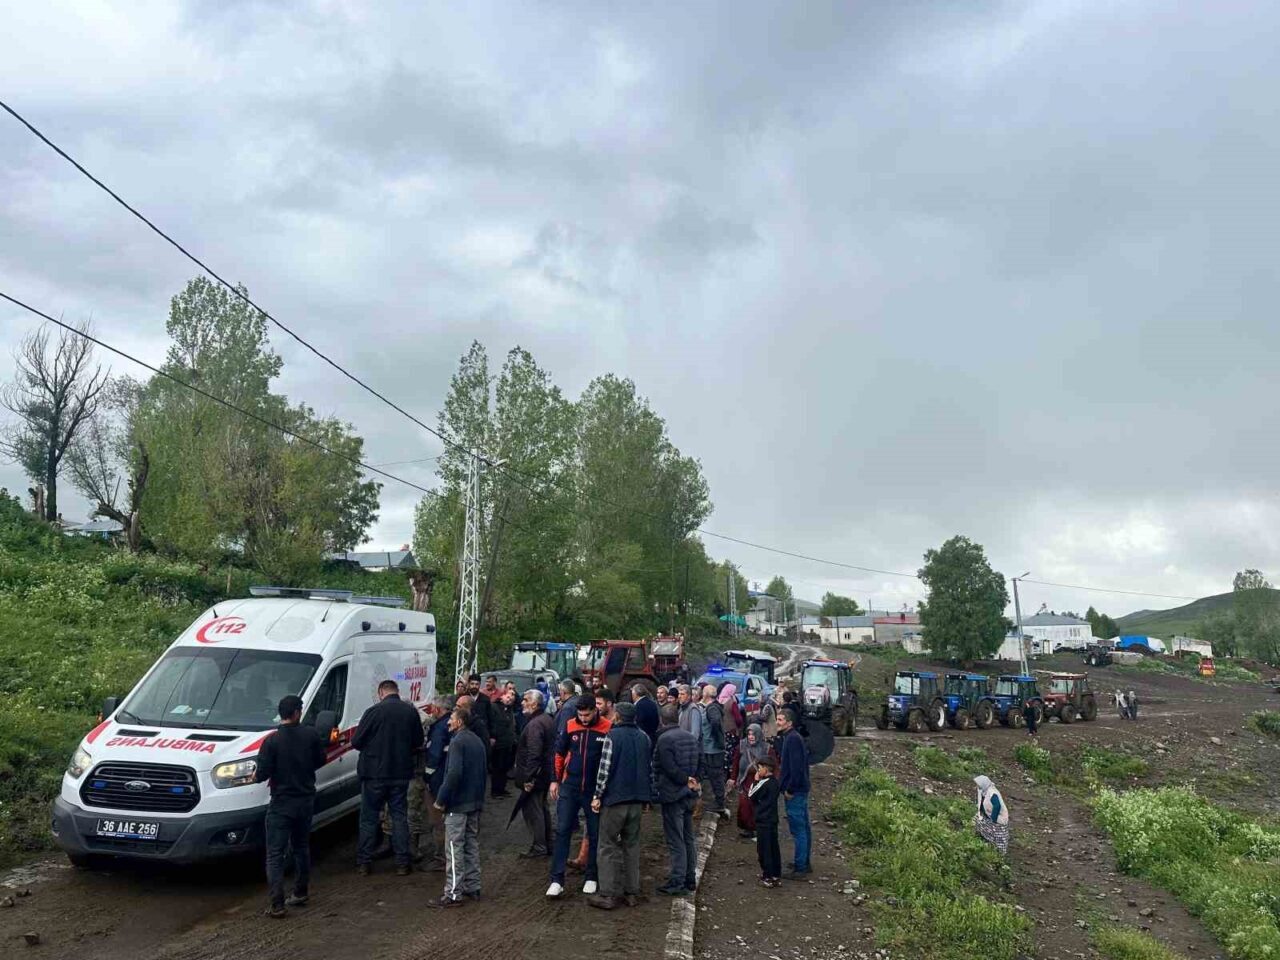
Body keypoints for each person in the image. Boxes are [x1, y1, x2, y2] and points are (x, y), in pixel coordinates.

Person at [254, 694, 326, 918]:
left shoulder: (271, 741)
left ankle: (277, 904)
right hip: (305, 800)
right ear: (296, 713)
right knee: (301, 847)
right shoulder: (311, 734)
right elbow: (321, 760)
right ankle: (300, 892)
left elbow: (261, 775)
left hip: (282, 803)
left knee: (275, 854)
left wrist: (255, 774)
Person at [353, 680, 425, 875]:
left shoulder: (373, 712)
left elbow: (356, 741)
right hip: (400, 773)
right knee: (399, 817)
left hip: (373, 774)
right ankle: (402, 863)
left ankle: (364, 863)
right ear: (397, 691)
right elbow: (419, 741)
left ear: (380, 692)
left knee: (368, 819)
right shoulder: (410, 712)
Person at [547, 694, 611, 899]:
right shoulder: (569, 725)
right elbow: (558, 753)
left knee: (594, 832)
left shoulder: (607, 728)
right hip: (570, 786)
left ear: (595, 710)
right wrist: (555, 779)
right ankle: (557, 879)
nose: (583, 719)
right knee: (563, 829)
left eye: (587, 714)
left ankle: (591, 876)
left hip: (593, 789)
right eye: (580, 715)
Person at [589, 701, 652, 909]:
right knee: (631, 846)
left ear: (618, 717)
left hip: (615, 800)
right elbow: (647, 768)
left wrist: (597, 794)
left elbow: (604, 770)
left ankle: (607, 894)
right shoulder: (644, 738)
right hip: (637, 800)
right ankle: (632, 892)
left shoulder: (612, 737)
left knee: (606, 846)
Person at [428, 706, 486, 908]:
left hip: (458, 804)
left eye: (451, 719)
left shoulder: (457, 742)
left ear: (460, 722)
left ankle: (453, 894)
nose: (448, 722)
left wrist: (441, 799)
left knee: (453, 848)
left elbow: (453, 774)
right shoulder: (477, 740)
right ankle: (473, 886)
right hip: (474, 802)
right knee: (471, 844)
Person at [652, 702, 701, 896]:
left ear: (662, 720)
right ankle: (690, 878)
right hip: (690, 794)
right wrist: (694, 781)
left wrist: (684, 780)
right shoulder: (690, 737)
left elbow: (668, 768)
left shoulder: (664, 740)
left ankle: (677, 880)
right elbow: (700, 762)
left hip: (673, 795)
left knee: (676, 840)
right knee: (688, 837)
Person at [515, 689, 555, 858]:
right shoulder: (545, 719)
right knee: (541, 808)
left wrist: (528, 778)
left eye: (525, 699)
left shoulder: (535, 724)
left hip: (535, 777)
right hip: (543, 774)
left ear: (534, 703)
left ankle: (539, 846)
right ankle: (546, 843)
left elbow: (534, 752)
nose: (522, 702)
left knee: (534, 811)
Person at [777, 706, 811, 876]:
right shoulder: (791, 737)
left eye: (781, 720)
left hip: (796, 791)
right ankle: (804, 862)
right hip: (800, 789)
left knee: (798, 830)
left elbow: (796, 768)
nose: (777, 722)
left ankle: (800, 867)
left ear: (789, 723)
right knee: (803, 827)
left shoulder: (792, 739)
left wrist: (789, 789)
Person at [422, 695, 454, 872]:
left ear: (438, 709)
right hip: (447, 777)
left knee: (438, 820)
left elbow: (434, 755)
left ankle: (440, 857)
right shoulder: (451, 724)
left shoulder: (440, 727)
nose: (431, 711)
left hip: (438, 780)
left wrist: (427, 775)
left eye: (433, 708)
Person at [734, 723, 772, 839]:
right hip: (745, 780)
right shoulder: (742, 746)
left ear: (759, 735)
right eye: (749, 734)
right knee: (745, 805)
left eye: (753, 734)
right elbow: (735, 763)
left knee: (758, 806)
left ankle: (759, 829)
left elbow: (773, 765)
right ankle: (748, 829)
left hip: (761, 781)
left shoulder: (767, 748)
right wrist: (732, 778)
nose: (751, 737)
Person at [749, 755, 782, 887]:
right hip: (772, 819)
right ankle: (775, 874)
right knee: (774, 847)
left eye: (759, 768)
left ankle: (767, 876)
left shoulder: (763, 783)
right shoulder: (775, 782)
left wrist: (755, 781)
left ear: (765, 769)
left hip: (763, 820)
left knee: (764, 849)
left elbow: (751, 795)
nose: (757, 771)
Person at [698, 684, 729, 819]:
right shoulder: (713, 707)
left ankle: (719, 803)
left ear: (706, 695)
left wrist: (716, 739)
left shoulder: (712, 709)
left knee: (716, 776)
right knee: (713, 776)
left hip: (713, 749)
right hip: (711, 748)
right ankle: (718, 800)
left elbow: (715, 722)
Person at [490, 687, 517, 798]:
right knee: (498, 767)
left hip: (508, 743)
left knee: (505, 767)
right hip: (499, 743)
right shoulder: (494, 707)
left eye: (512, 697)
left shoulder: (509, 710)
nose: (510, 698)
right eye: (508, 696)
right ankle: (495, 790)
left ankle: (502, 788)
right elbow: (494, 724)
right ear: (502, 696)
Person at [973, 774, 1009, 855]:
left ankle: (999, 854)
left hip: (998, 818)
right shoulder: (982, 790)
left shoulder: (992, 793)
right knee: (977, 821)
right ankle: (982, 838)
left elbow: (997, 806)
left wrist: (994, 818)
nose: (977, 786)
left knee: (998, 836)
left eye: (978, 784)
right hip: (987, 814)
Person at [718, 683, 743, 781]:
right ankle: (732, 775)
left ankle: (724, 773)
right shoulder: (732, 702)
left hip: (723, 731)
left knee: (725, 753)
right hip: (732, 731)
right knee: (733, 753)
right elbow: (738, 719)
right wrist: (740, 726)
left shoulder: (719, 701)